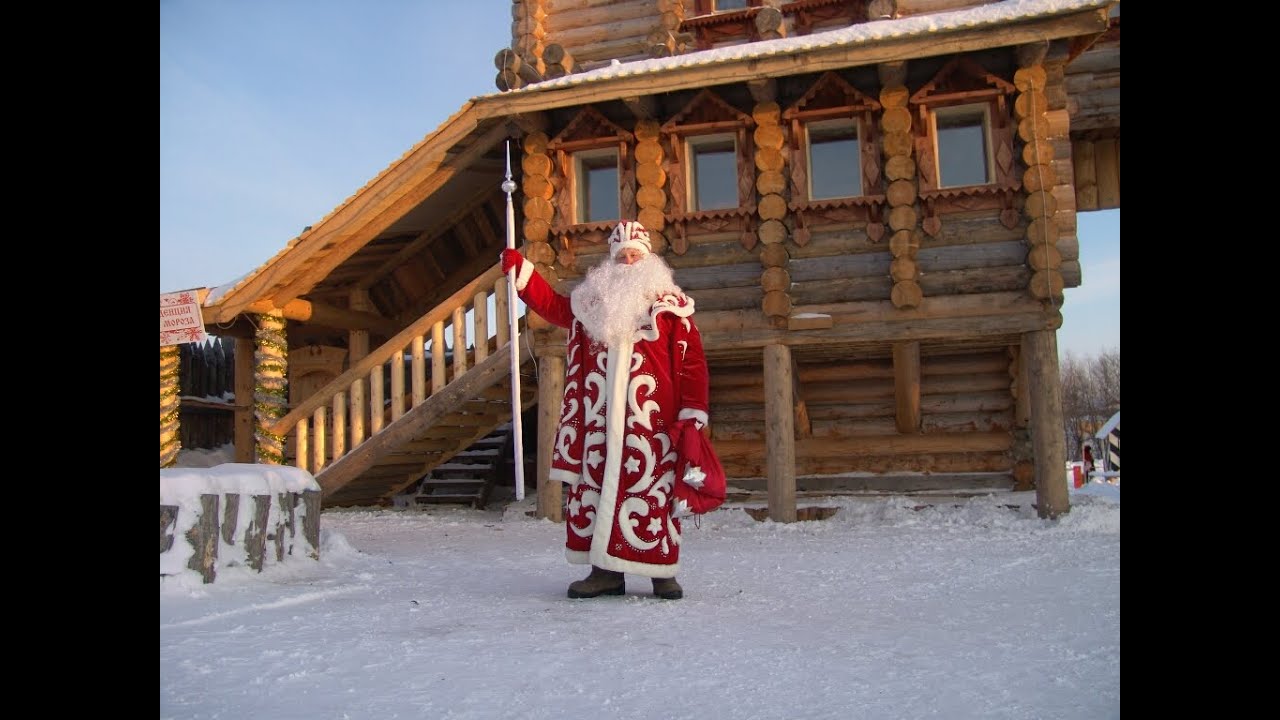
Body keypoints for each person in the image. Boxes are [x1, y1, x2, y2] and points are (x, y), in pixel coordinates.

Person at [501, 220, 710, 600]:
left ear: (648, 260)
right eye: (622, 256)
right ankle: (604, 574)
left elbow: (692, 363)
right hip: (597, 421)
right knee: (595, 490)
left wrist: (692, 413)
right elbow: (554, 306)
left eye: (635, 255)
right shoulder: (592, 304)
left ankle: (661, 573)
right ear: (611, 262)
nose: (628, 262)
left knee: (653, 492)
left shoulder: (673, 309)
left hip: (652, 422)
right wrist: (522, 272)